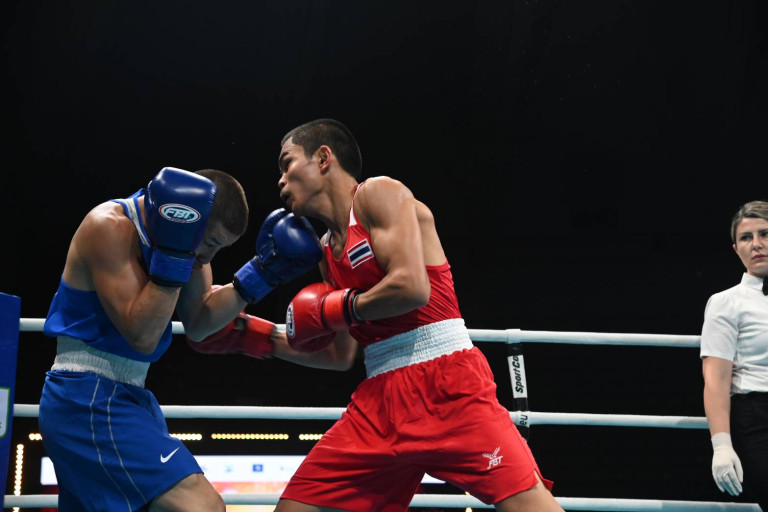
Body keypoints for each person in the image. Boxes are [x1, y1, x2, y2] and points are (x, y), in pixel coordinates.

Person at [272, 118, 564, 512]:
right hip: (378, 403)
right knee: (295, 507)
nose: (281, 180)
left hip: (449, 386)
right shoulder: (326, 251)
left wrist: (338, 308)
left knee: (530, 508)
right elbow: (339, 355)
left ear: (323, 158)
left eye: (287, 163)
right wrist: (255, 337)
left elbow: (411, 287)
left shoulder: (377, 194)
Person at [38, 166, 322, 512]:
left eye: (220, 249)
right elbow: (142, 336)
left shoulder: (186, 243)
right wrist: (175, 255)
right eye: (211, 243)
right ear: (186, 219)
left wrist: (262, 274)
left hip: (125, 395)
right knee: (202, 506)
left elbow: (200, 323)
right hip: (87, 397)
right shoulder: (110, 227)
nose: (208, 259)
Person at [701, 199, 768, 510]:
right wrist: (721, 445)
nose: (756, 244)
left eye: (765, 233)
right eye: (746, 237)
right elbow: (716, 378)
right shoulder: (726, 303)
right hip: (757, 419)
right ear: (736, 249)